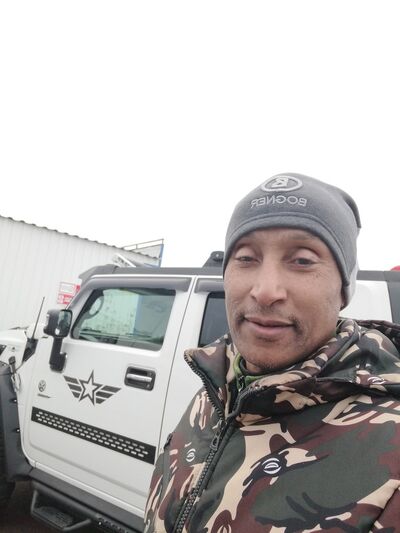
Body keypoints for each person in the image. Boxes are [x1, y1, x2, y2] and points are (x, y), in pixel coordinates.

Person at [144, 173, 400, 532]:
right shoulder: (216, 393)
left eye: (302, 260)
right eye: (246, 257)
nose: (265, 291)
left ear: (343, 289)